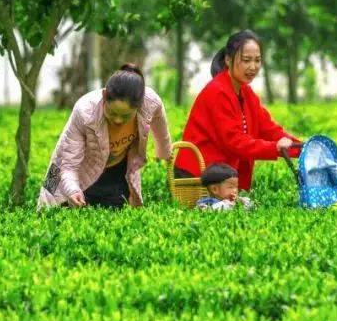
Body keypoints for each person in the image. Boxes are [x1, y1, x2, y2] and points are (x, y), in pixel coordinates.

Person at [174, 30, 302, 192]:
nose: (253, 67)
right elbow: (235, 142)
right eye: (246, 60)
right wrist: (276, 147)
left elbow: (269, 129)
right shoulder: (217, 91)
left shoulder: (247, 93)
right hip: (199, 176)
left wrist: (304, 148)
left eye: (257, 60)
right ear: (228, 59)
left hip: (221, 177)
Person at [37, 64, 171, 210]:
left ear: (139, 106)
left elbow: (161, 128)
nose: (118, 120)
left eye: (125, 116)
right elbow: (67, 164)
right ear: (105, 96)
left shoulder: (150, 102)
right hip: (68, 165)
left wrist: (164, 153)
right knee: (51, 204)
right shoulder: (84, 110)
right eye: (112, 113)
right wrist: (73, 190)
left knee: (113, 215)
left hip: (114, 169)